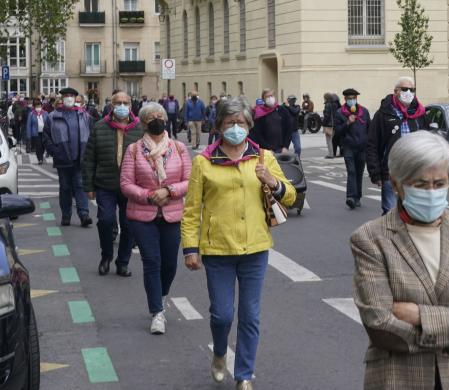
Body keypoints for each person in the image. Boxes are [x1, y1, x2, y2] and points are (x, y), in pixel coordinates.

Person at [351, 131, 449, 390]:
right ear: (396, 184)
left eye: (439, 183)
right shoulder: (370, 239)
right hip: (398, 379)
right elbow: (381, 326)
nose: (432, 192)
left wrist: (418, 315)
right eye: (420, 185)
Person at [181, 98, 296, 389]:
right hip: (218, 249)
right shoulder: (203, 161)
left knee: (250, 314)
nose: (236, 128)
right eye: (230, 123)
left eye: (241, 123)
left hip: (255, 248)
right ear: (219, 126)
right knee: (221, 315)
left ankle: (244, 375)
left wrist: (272, 180)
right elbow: (192, 209)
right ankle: (220, 353)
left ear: (249, 125)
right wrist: (190, 249)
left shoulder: (264, 157)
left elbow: (291, 196)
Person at [120, 102, 191, 335]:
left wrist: (169, 191)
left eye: (160, 115)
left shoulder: (179, 148)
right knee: (152, 261)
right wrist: (149, 196)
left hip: (172, 214)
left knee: (169, 264)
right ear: (143, 122)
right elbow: (126, 184)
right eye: (151, 117)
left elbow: (190, 180)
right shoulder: (134, 150)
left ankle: (160, 295)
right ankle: (157, 312)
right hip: (143, 215)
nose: (157, 119)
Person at [83, 91, 144, 277]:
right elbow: (89, 158)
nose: (122, 106)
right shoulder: (100, 127)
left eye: (126, 103)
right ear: (111, 105)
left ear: (131, 105)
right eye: (118, 102)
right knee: (105, 221)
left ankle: (123, 262)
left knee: (129, 226)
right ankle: (106, 256)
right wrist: (89, 186)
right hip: (105, 184)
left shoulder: (139, 128)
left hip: (131, 188)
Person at [367, 76, 429, 215]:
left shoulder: (420, 114)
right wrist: (375, 173)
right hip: (391, 171)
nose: (409, 93)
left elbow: (427, 142)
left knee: (413, 213)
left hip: (415, 171)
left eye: (412, 90)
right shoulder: (383, 114)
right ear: (396, 91)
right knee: (391, 213)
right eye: (405, 89)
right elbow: (372, 144)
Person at [44, 87, 93, 227]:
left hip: (80, 158)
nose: (69, 98)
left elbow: (91, 134)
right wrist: (54, 151)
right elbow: (46, 137)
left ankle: (84, 215)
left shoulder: (84, 115)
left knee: (80, 186)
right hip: (63, 158)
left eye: (71, 95)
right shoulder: (53, 116)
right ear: (62, 98)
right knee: (65, 188)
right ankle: (66, 215)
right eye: (66, 96)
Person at [334, 88, 371, 210]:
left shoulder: (364, 112)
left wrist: (369, 144)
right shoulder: (340, 113)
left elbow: (369, 129)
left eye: (353, 98)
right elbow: (337, 132)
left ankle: (357, 197)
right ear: (345, 99)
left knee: (359, 172)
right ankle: (350, 197)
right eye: (349, 99)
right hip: (348, 147)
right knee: (351, 171)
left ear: (356, 99)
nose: (351, 101)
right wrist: (347, 123)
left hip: (362, 147)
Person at [249, 89, 291, 154]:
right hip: (267, 151)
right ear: (263, 99)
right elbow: (257, 134)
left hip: (281, 149)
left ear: (275, 97)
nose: (270, 98)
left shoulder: (282, 110)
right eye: (267, 97)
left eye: (271, 96)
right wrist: (267, 149)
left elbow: (289, 129)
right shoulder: (259, 113)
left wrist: (286, 146)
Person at [27, 99, 49, 164]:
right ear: (34, 107)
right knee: (38, 146)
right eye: (36, 106)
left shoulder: (45, 113)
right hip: (36, 133)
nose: (38, 108)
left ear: (41, 106)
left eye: (39, 106)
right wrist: (29, 135)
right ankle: (40, 159)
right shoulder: (31, 114)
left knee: (43, 145)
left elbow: (48, 123)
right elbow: (29, 125)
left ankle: (41, 155)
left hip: (44, 132)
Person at [321, 93, 339, 159]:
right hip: (334, 124)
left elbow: (327, 116)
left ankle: (330, 154)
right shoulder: (335, 104)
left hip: (328, 125)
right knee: (332, 140)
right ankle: (332, 153)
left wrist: (323, 123)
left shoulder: (327, 105)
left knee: (328, 140)